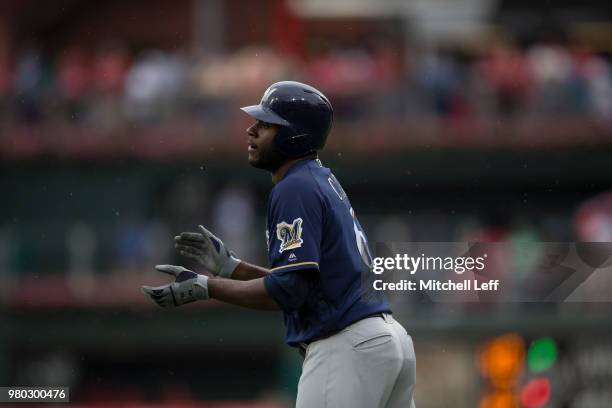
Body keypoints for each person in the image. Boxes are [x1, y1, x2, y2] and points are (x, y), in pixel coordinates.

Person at [142, 81, 416, 408]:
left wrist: (206, 286)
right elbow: (306, 284)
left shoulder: (294, 187)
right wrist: (235, 269)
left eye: (266, 124)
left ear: (294, 135)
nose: (252, 131)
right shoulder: (318, 179)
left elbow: (290, 291)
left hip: (346, 346)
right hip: (387, 341)